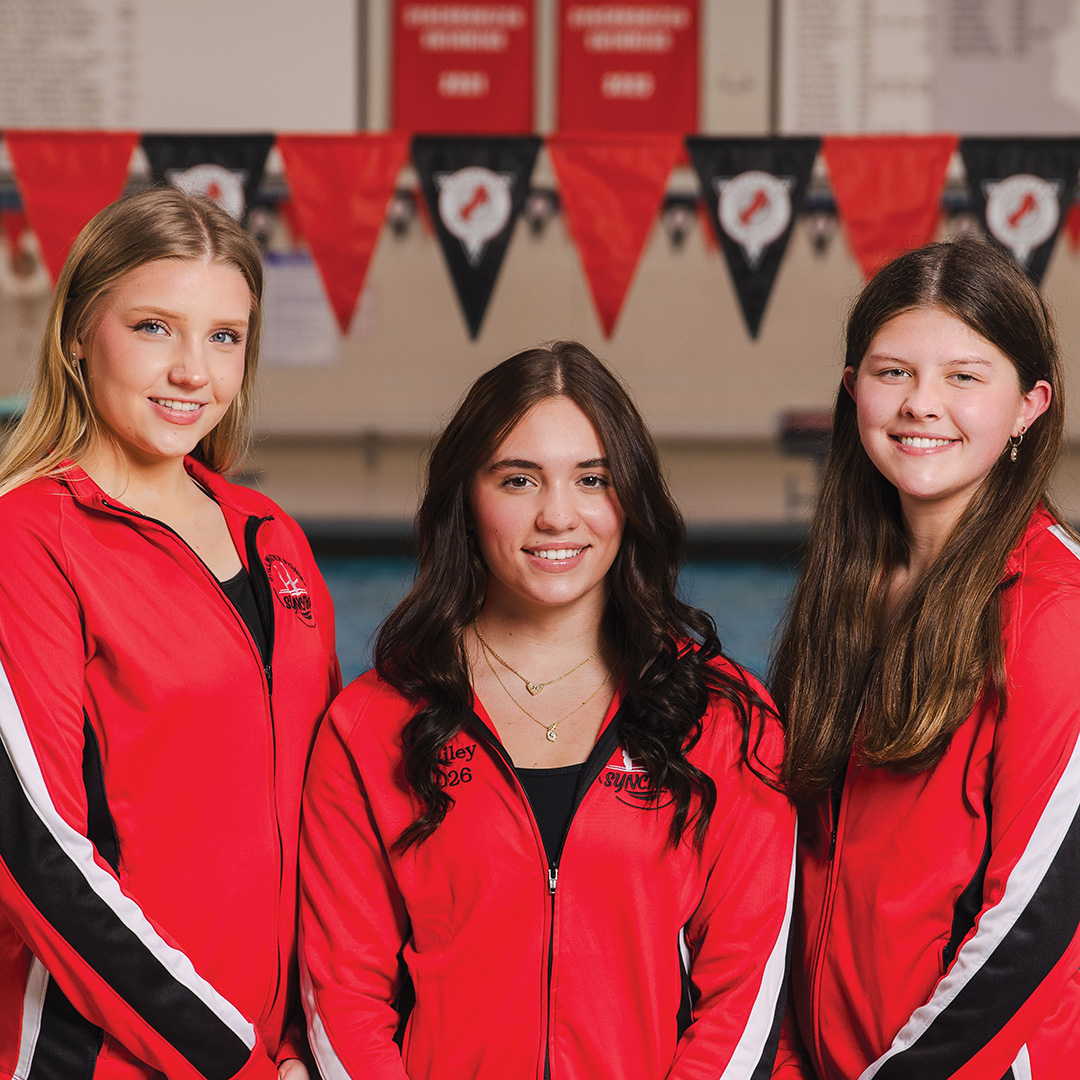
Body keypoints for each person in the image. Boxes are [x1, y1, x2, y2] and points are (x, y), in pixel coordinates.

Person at [299, 341, 797, 1080]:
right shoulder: (372, 726)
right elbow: (344, 996)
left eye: (591, 479)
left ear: (629, 499)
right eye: (519, 480)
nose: (557, 516)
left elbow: (746, 992)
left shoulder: (720, 718)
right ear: (466, 498)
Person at [0, 187, 340, 1080]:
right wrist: (229, 1056)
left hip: (284, 1054)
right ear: (78, 332)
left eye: (224, 338)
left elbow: (332, 810)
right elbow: (34, 850)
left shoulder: (274, 537)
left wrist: (319, 1037)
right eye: (155, 327)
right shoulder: (30, 539)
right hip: (105, 1057)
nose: (195, 371)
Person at [770, 238, 1080, 1079]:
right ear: (851, 389)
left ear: (1029, 405)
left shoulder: (1054, 611)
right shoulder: (848, 587)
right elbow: (797, 870)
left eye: (965, 377)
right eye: (893, 372)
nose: (920, 404)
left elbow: (1038, 918)